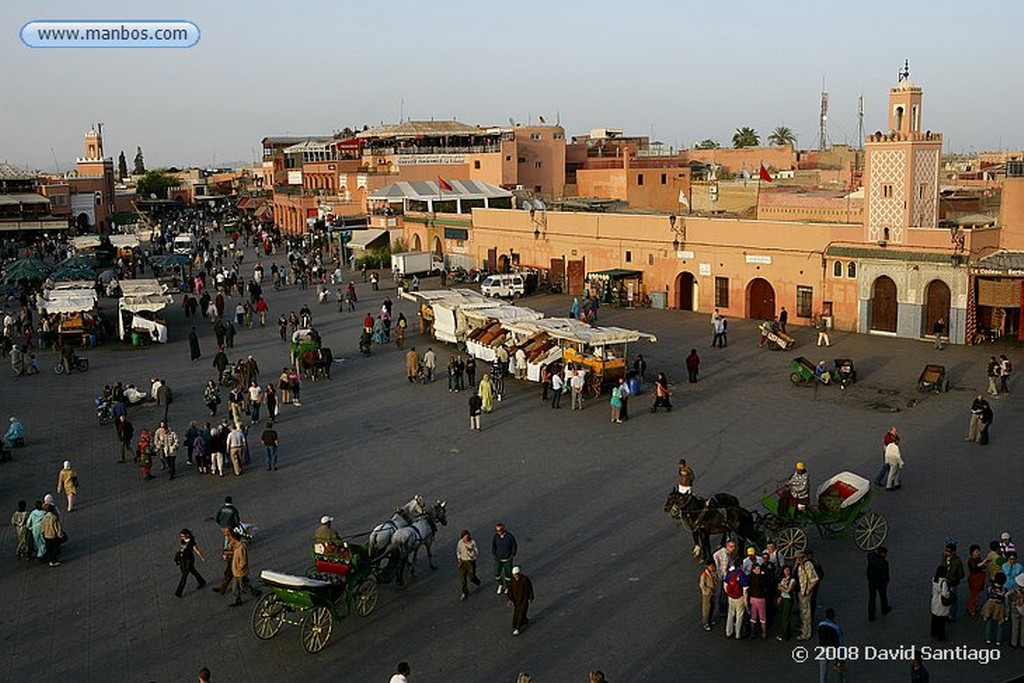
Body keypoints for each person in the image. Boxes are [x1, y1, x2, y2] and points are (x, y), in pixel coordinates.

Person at [227, 528, 261, 606]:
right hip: (236, 571)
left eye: (231, 538)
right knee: (236, 587)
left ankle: (256, 593)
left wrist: (240, 568)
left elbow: (243, 560)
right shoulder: (236, 546)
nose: (230, 539)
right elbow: (230, 548)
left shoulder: (241, 548)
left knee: (244, 587)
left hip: (240, 572)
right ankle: (238, 600)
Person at [174, 528, 207, 597]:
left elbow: (197, 550)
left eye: (183, 536)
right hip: (184, 560)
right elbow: (182, 547)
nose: (181, 538)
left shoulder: (192, 542)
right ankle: (201, 581)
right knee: (193, 571)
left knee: (184, 576)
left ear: (187, 535)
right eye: (181, 536)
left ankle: (178, 592)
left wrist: (202, 557)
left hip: (189, 561)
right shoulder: (183, 541)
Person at [817, 608, 844, 682]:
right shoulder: (836, 627)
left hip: (822, 648)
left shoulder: (820, 625)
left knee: (823, 670)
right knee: (837, 668)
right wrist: (841, 656)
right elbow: (840, 642)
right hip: (833, 649)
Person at [722, 560, 748, 639]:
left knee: (730, 614)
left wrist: (729, 594)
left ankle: (728, 632)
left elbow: (725, 584)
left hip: (731, 597)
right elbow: (745, 589)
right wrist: (745, 601)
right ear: (741, 565)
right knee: (739, 616)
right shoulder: (742, 575)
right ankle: (738, 634)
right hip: (739, 598)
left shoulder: (730, 573)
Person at [796, 553, 818, 640]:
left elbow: (815, 579)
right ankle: (803, 629)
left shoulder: (807, 565)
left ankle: (806, 634)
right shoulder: (799, 565)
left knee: (806, 613)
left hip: (805, 592)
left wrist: (808, 589)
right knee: (802, 612)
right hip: (800, 591)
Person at [507, 566, 534, 636]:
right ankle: (523, 621)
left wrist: (530, 598)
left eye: (516, 575)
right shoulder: (512, 580)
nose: (515, 576)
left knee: (521, 612)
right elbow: (510, 590)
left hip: (524, 599)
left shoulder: (525, 579)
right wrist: (510, 599)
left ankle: (517, 628)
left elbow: (529, 588)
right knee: (517, 612)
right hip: (516, 599)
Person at [866, 546, 891, 621]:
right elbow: (885, 575)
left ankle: (871, 616)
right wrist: (886, 581)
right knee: (883, 596)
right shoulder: (884, 563)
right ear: (882, 553)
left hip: (872, 581)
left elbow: (870, 553)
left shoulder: (871, 558)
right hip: (881, 583)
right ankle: (884, 609)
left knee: (872, 598)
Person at [983, 571, 1008, 645]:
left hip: (989, 605)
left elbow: (987, 596)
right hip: (999, 606)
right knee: (1000, 623)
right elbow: (1005, 601)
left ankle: (988, 639)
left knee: (989, 622)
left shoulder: (990, 588)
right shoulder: (1004, 590)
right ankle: (998, 640)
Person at [457, 529, 482, 600]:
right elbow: (458, 551)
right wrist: (459, 558)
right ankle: (465, 593)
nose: (466, 538)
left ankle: (477, 582)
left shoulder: (472, 542)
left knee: (471, 577)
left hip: (470, 562)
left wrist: (470, 550)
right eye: (464, 537)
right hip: (462, 562)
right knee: (463, 580)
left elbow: (476, 552)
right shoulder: (460, 542)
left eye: (467, 537)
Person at [492, 523, 517, 594]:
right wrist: (495, 555)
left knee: (508, 575)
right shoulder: (495, 536)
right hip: (498, 559)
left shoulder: (510, 537)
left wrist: (512, 555)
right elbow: (493, 546)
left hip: (507, 559)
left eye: (499, 530)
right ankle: (501, 584)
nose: (498, 532)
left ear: (503, 529)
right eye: (497, 530)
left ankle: (507, 587)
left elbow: (514, 546)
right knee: (496, 574)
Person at [942, 542, 965, 621]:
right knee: (944, 598)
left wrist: (954, 578)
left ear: (954, 552)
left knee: (953, 599)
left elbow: (962, 574)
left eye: (948, 551)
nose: (946, 553)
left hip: (952, 583)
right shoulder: (944, 557)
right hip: (944, 582)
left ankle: (952, 615)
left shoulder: (958, 561)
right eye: (946, 550)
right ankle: (945, 613)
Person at [966, 544, 987, 619]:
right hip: (975, 579)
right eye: (976, 552)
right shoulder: (971, 560)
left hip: (979, 579)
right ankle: (971, 609)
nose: (978, 553)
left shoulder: (978, 559)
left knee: (975, 595)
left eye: (979, 551)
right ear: (972, 553)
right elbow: (975, 567)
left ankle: (972, 607)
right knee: (974, 595)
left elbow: (983, 566)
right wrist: (983, 563)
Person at [930, 565, 950, 640]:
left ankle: (934, 632)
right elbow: (945, 594)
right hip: (940, 602)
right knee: (941, 621)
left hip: (935, 599)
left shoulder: (934, 579)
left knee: (934, 617)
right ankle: (941, 636)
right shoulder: (944, 582)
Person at [776, 564, 796, 641]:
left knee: (785, 617)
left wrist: (781, 587)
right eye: (785, 570)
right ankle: (786, 632)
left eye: (788, 570)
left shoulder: (792, 580)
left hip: (788, 599)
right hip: (783, 598)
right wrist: (780, 596)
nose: (787, 572)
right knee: (782, 616)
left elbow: (788, 590)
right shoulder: (783, 579)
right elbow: (781, 588)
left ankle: (784, 635)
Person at [40, 502, 64, 567]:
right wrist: (59, 534)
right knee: (54, 549)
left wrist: (43, 533)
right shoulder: (54, 517)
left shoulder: (44, 517)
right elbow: (57, 527)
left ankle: (49, 559)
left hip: (46, 535)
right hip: (53, 535)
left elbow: (42, 526)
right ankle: (53, 561)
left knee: (49, 548)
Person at [699, 560, 718, 631]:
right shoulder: (704, 575)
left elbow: (715, 581)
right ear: (707, 567)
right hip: (707, 594)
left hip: (712, 593)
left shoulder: (712, 573)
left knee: (712, 606)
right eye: (711, 566)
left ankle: (710, 619)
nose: (713, 568)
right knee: (706, 608)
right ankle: (706, 622)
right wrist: (709, 590)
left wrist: (715, 578)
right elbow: (702, 585)